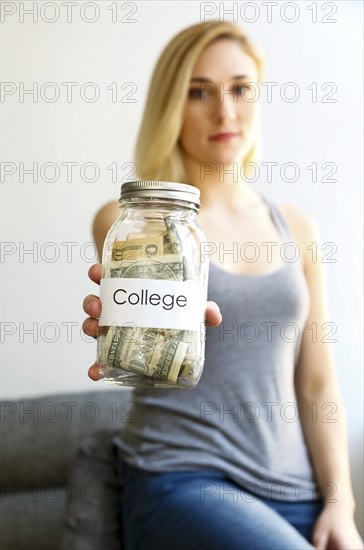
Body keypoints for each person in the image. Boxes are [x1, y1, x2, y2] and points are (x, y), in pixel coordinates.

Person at [82, 21, 363, 550]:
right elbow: (141, 339)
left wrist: (340, 503)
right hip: (182, 476)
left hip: (295, 488)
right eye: (199, 92)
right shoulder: (139, 218)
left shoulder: (296, 227)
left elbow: (318, 384)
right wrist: (126, 331)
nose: (225, 112)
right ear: (170, 104)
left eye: (240, 89)